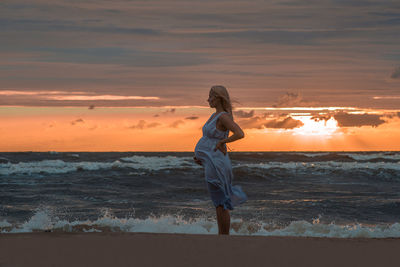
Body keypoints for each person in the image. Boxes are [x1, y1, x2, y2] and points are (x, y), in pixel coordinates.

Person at [194, 85, 247, 235]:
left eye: (211, 96)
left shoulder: (223, 116)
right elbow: (208, 140)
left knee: (220, 203)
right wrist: (202, 157)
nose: (208, 99)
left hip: (217, 162)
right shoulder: (214, 116)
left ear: (218, 98)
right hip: (211, 161)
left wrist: (223, 142)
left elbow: (240, 133)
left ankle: (223, 237)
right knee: (218, 202)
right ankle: (222, 235)